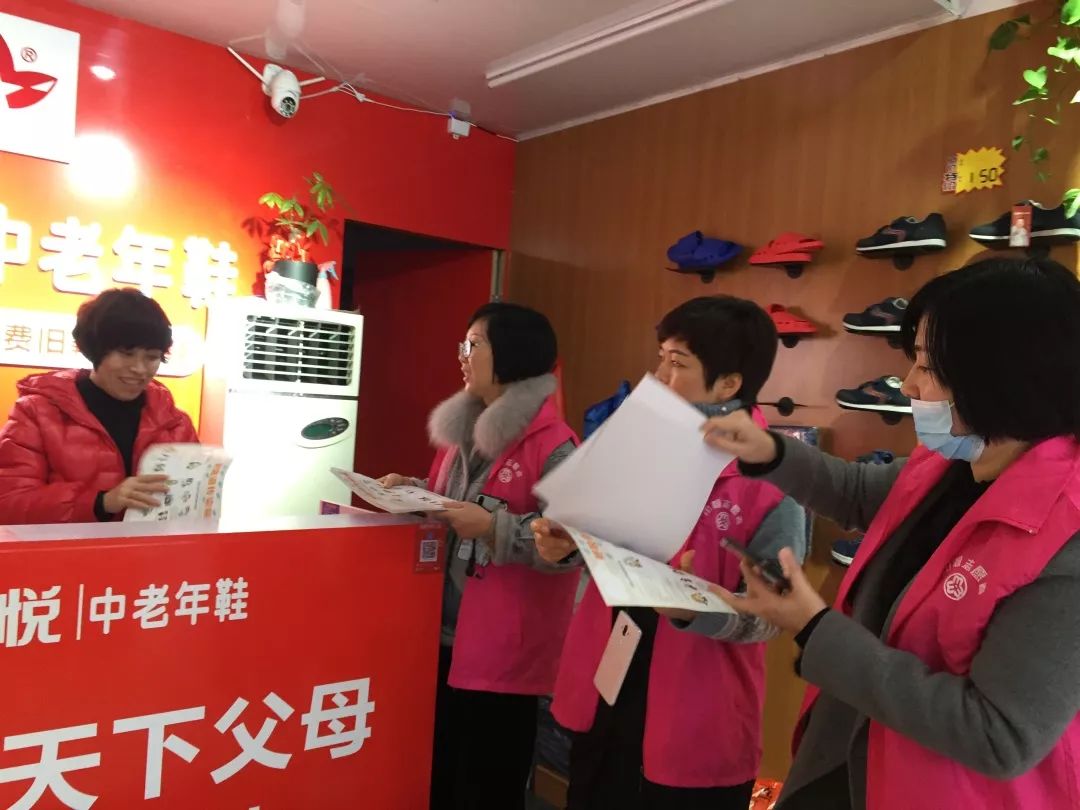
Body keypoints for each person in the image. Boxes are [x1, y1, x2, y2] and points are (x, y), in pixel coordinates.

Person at [699, 257, 1080, 809]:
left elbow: (999, 734)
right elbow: (859, 493)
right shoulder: (958, 460)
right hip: (850, 759)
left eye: (927, 365)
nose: (908, 383)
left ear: (998, 375)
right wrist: (769, 452)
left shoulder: (1065, 535)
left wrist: (816, 627)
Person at [533, 295, 807, 810]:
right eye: (660, 357)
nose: (657, 376)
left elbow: (774, 617)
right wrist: (567, 546)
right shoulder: (635, 441)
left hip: (698, 707)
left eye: (677, 363)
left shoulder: (772, 479)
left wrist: (691, 607)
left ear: (729, 384)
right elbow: (597, 539)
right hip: (609, 680)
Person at [377, 302, 580, 810]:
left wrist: (494, 528)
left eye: (474, 344)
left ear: (512, 353)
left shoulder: (556, 446)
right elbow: (452, 500)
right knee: (437, 779)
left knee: (486, 786)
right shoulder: (461, 431)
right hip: (440, 634)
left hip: (504, 651)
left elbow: (571, 545)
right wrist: (412, 492)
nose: (462, 355)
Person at [0, 288, 197, 525]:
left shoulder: (175, 423)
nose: (139, 369)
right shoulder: (37, 412)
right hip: (70, 548)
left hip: (153, 548)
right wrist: (100, 502)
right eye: (126, 353)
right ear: (95, 349)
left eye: (152, 357)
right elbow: (9, 503)